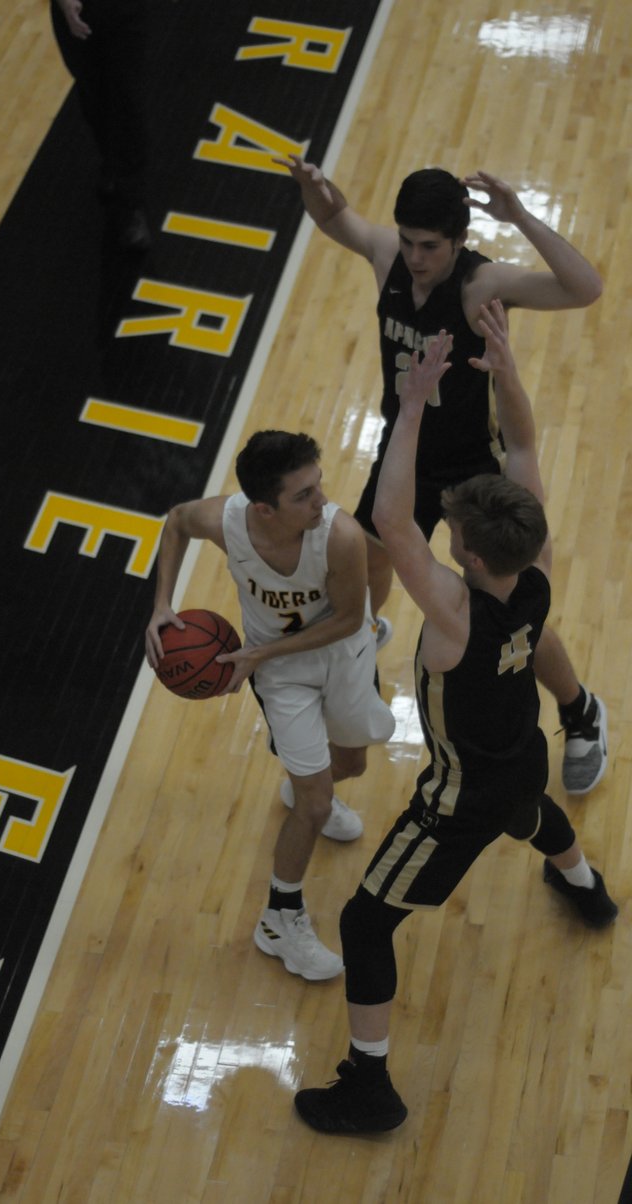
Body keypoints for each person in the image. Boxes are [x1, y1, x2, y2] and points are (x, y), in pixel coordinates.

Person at [293, 302, 617, 1135]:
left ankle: (372, 1085)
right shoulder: (536, 572)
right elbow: (528, 449)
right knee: (531, 809)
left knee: (366, 921)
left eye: (458, 536)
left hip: (453, 802)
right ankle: (587, 888)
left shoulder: (453, 615)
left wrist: (410, 406)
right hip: (517, 757)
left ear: (467, 556)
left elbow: (394, 522)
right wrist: (506, 376)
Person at [278, 155, 607, 795]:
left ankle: (579, 709)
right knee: (363, 571)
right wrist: (315, 189)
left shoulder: (481, 286)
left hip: (473, 469)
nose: (416, 256)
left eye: (430, 246)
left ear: (458, 241)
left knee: (513, 616)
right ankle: (356, 661)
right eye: (407, 241)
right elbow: (337, 218)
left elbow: (584, 288)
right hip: (404, 453)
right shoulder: (389, 259)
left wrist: (519, 216)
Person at [145, 431, 395, 981]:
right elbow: (176, 521)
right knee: (317, 803)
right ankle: (279, 921)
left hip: (340, 650)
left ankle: (305, 782)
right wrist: (162, 604)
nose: (322, 501)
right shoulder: (226, 521)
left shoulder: (340, 536)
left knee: (350, 765)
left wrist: (259, 651)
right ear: (263, 508)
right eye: (303, 495)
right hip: (280, 676)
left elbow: (349, 618)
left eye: (319, 485)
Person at [51, 0, 151, 250]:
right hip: (79, 16)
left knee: (127, 106)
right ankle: (112, 163)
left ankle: (130, 203)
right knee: (94, 102)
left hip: (123, 14)